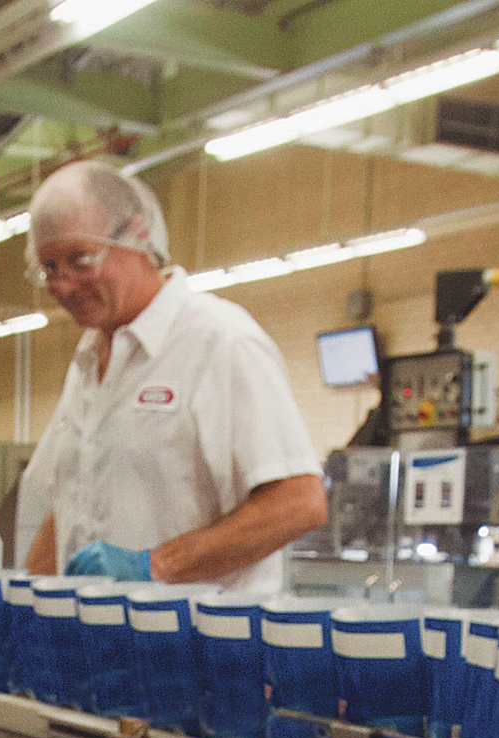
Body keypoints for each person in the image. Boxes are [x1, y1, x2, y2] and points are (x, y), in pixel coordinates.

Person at [21, 160, 327, 591]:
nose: (63, 286)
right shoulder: (89, 358)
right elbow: (71, 505)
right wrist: (25, 607)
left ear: (139, 235)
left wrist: (156, 565)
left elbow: (298, 503)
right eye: (49, 268)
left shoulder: (219, 341)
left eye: (80, 259)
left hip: (200, 648)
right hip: (98, 646)